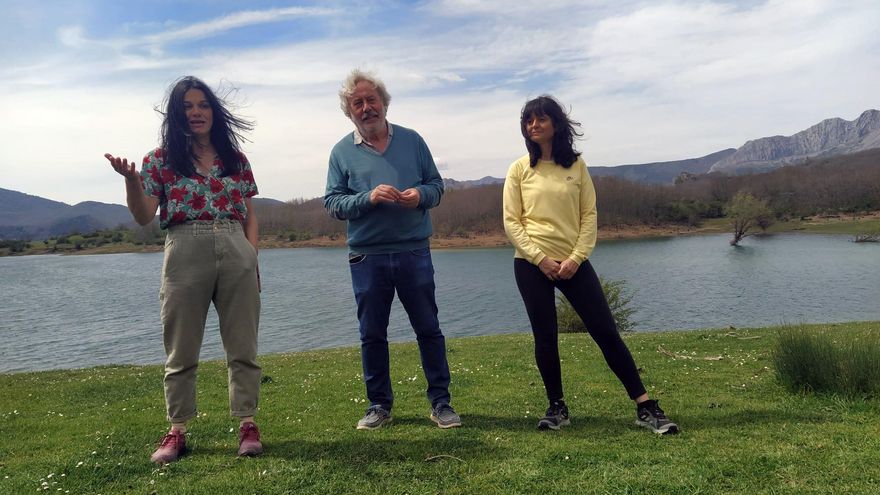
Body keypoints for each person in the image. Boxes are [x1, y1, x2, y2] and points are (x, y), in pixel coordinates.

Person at [105, 76, 264, 463]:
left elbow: (249, 215)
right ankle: (177, 430)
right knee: (180, 346)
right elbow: (144, 216)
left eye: (203, 105)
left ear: (214, 111)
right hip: (184, 246)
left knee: (243, 344)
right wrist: (131, 182)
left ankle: (247, 423)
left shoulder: (235, 159)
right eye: (188, 106)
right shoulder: (159, 159)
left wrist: (250, 257)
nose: (196, 112)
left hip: (234, 244)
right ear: (177, 115)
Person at [502, 95, 679, 434]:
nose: (533, 125)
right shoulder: (519, 169)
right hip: (531, 265)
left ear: (556, 123)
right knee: (545, 337)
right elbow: (512, 223)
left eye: (540, 119)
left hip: (573, 263)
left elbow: (589, 217)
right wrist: (540, 260)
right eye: (528, 120)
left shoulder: (577, 166)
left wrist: (575, 259)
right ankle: (556, 407)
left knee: (605, 331)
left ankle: (645, 406)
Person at [324, 69, 461, 430]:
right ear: (349, 111)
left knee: (428, 328)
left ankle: (441, 402)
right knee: (372, 334)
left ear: (384, 103)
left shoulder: (413, 141)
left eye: (372, 100)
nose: (367, 107)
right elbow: (334, 203)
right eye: (358, 103)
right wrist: (368, 198)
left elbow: (436, 186)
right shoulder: (341, 152)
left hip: (413, 251)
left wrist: (420, 197)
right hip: (366, 256)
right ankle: (379, 406)